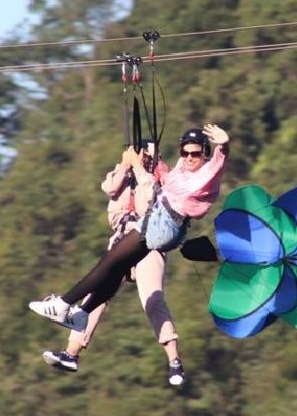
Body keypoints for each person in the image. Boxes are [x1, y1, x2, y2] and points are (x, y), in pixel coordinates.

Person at [30, 123, 230, 386]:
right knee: (108, 277)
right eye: (185, 153)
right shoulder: (173, 171)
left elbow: (214, 166)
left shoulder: (204, 175)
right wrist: (133, 163)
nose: (190, 158)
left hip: (160, 229)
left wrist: (222, 146)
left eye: (195, 153)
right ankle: (73, 341)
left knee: (147, 294)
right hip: (147, 228)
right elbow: (111, 188)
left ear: (204, 153)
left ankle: (173, 361)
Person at [41, 141, 180, 374]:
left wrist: (144, 167)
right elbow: (110, 188)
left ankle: (174, 360)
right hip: (121, 240)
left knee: (152, 298)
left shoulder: (161, 176)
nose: (145, 159)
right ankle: (71, 353)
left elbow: (150, 201)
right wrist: (128, 163)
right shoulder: (123, 174)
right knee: (96, 297)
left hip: (147, 242)